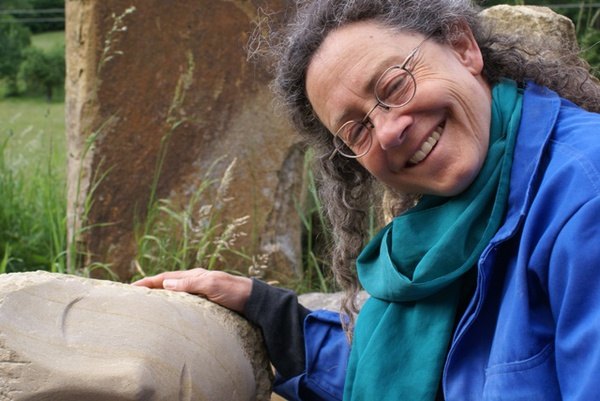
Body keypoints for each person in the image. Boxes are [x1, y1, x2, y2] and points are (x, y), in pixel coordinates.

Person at [133, 0, 600, 400]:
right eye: (357, 130)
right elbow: (425, 368)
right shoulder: (452, 220)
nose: (390, 131)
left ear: (463, 47)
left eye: (395, 85)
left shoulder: (584, 196)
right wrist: (269, 314)